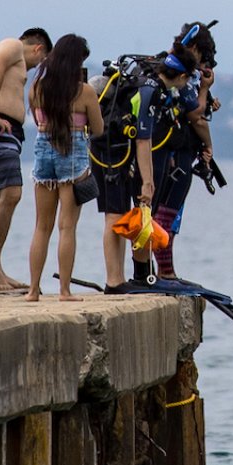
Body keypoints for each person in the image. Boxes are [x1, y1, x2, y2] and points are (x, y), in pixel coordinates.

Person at [90, 50, 196, 290]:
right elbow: (143, 140)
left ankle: (140, 276)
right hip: (110, 153)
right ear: (180, 76)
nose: (187, 85)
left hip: (118, 151)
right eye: (188, 79)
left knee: (141, 215)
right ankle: (114, 281)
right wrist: (148, 183)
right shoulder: (150, 91)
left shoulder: (153, 85)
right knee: (115, 216)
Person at [25, 35, 104, 301]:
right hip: (73, 155)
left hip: (43, 152)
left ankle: (33, 290)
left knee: (41, 226)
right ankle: (64, 291)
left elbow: (37, 122)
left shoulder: (36, 87)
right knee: (67, 227)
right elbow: (99, 128)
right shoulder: (84, 91)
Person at [0, 28, 52, 290]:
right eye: (41, 61)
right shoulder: (12, 46)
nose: (36, 68)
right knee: (11, 194)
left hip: (2, 130)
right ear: (38, 49)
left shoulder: (15, 57)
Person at [150, 22, 219, 279]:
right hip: (176, 154)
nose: (201, 63)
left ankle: (160, 270)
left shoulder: (165, 67)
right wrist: (204, 89)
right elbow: (196, 117)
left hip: (161, 153)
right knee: (167, 216)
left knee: (159, 215)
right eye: (202, 56)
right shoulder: (184, 74)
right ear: (195, 48)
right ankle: (166, 273)